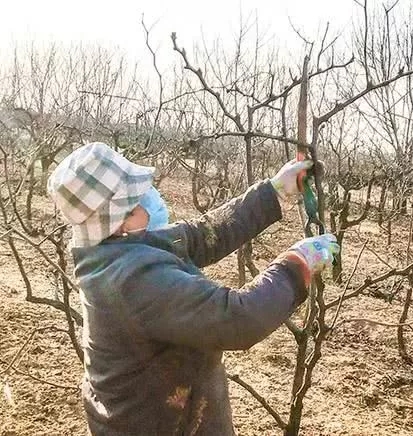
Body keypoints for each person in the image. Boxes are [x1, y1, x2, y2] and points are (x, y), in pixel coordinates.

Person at [46, 142, 339, 436]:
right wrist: (296, 265)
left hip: (165, 412)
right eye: (137, 198)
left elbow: (203, 234)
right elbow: (237, 319)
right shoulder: (131, 280)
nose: (150, 197)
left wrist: (274, 190)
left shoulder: (114, 249)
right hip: (156, 425)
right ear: (118, 222)